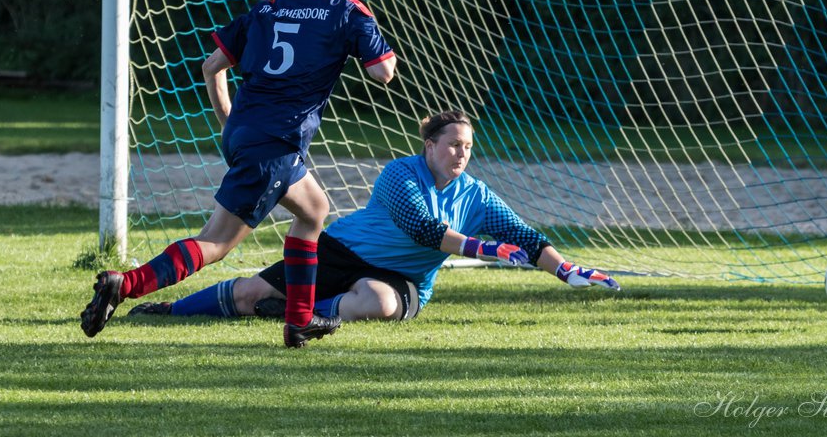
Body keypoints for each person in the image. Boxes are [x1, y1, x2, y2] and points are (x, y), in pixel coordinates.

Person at [81, 0, 397, 347]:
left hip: (246, 131)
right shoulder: (347, 11)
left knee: (314, 210)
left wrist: (228, 122)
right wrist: (368, 31)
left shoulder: (266, 10)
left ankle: (299, 320)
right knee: (215, 242)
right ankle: (126, 283)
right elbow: (382, 72)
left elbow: (211, 67)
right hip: (276, 143)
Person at [126, 110, 620, 335]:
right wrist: (486, 251)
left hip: (400, 279)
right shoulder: (399, 174)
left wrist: (565, 269)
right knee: (249, 295)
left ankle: (309, 311)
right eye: (452, 144)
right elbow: (422, 229)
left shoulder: (477, 195)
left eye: (467, 147)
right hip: (342, 251)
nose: (461, 154)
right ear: (429, 145)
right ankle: (170, 312)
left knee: (381, 303)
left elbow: (524, 237)